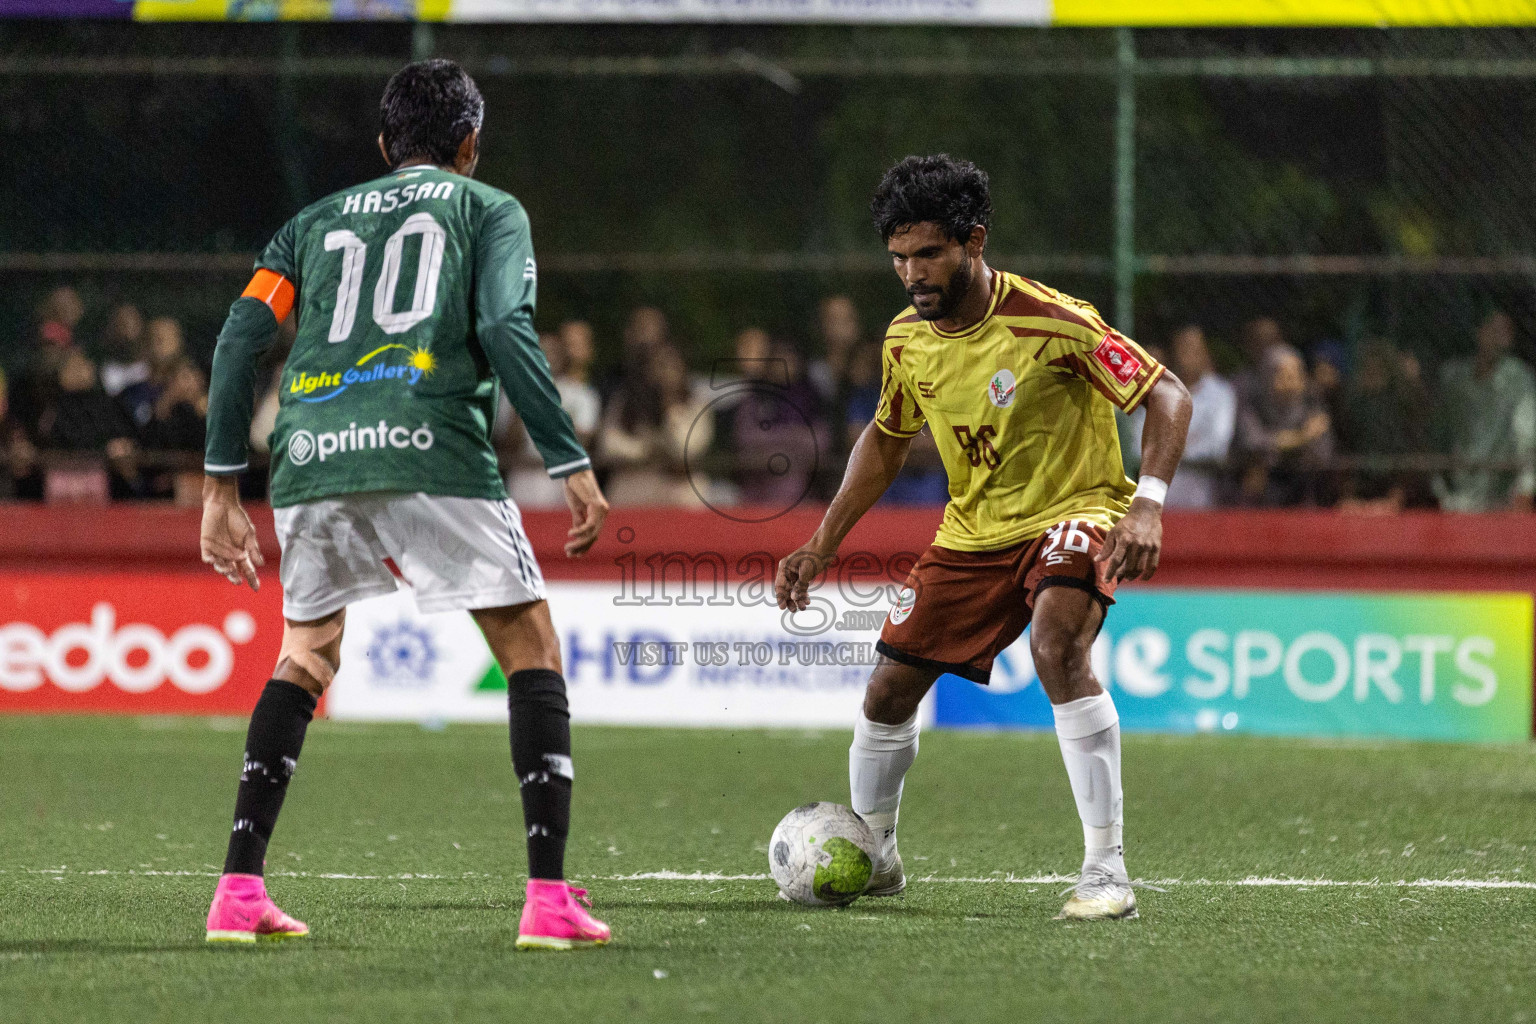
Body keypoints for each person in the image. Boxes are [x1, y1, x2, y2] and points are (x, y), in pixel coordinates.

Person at [197, 60, 611, 950]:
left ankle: (237, 892)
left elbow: (239, 338)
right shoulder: (487, 208)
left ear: (386, 145)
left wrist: (220, 487)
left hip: (307, 450)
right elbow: (504, 327)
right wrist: (568, 456)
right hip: (428, 440)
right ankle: (547, 899)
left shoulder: (307, 224)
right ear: (470, 144)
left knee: (305, 652)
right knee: (531, 644)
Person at [775, 155, 1191, 921]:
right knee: (886, 694)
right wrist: (822, 541)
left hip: (1077, 509)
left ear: (974, 240)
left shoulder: (1053, 320)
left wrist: (1147, 505)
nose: (912, 274)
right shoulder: (906, 340)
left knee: (1057, 646)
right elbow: (887, 438)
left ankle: (1107, 871)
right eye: (898, 258)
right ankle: (880, 857)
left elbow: (1167, 394)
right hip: (972, 535)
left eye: (928, 254)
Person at [1434, 311, 1536, 512]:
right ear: (1479, 332)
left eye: (1507, 333)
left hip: (1500, 503)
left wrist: (1525, 490)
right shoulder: (1454, 378)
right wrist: (1438, 492)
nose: (1501, 339)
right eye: (1495, 330)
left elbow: (1529, 439)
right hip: (1454, 502)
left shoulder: (1518, 379)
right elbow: (1436, 436)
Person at [1233, 345, 1333, 506]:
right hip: (1259, 496)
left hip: (1302, 492)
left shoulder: (1312, 406)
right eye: (1284, 375)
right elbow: (1254, 443)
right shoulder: (1252, 405)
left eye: (1296, 375)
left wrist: (1281, 444)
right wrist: (1302, 438)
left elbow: (1323, 453)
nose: (1292, 383)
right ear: (1267, 377)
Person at [1164, 325, 1236, 507]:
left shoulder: (1221, 392)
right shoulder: (1159, 389)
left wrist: (1170, 447)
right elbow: (1136, 445)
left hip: (1204, 488)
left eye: (1194, 350)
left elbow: (1217, 446)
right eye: (1183, 349)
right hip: (1158, 489)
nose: (1187, 356)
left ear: (1205, 354)